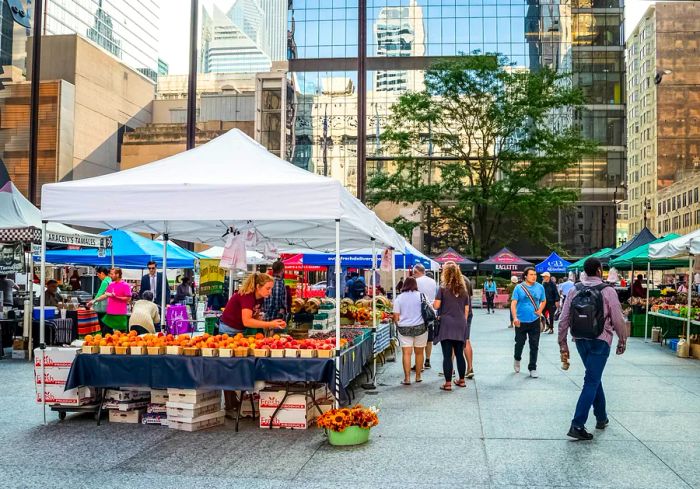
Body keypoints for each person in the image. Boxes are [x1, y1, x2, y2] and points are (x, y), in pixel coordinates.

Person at [558, 257, 628, 440]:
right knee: (591, 380)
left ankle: (601, 417)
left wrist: (562, 342)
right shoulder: (608, 291)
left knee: (594, 377)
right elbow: (618, 318)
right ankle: (577, 424)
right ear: (599, 270)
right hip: (600, 340)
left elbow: (564, 317)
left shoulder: (574, 289)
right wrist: (622, 340)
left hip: (580, 339)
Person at [433, 263, 471, 390]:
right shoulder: (464, 290)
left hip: (446, 324)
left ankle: (448, 383)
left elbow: (436, 306)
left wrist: (434, 302)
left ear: (446, 273)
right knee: (459, 353)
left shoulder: (443, 288)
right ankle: (461, 380)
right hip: (460, 323)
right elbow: (466, 310)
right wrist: (463, 323)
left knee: (447, 355)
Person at [219, 272, 286, 335]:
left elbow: (254, 317)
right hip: (228, 330)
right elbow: (247, 321)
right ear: (258, 287)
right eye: (268, 288)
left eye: (271, 289)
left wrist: (274, 323)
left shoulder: (260, 298)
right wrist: (270, 324)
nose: (270, 292)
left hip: (241, 330)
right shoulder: (247, 296)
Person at [511, 267, 546, 378]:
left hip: (535, 320)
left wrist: (540, 310)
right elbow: (513, 304)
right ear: (525, 276)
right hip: (521, 321)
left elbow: (543, 300)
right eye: (531, 274)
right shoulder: (518, 287)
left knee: (534, 345)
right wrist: (515, 317)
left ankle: (532, 367)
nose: (534, 276)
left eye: (535, 274)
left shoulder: (540, 287)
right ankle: (517, 358)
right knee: (520, 343)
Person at [393, 277, 427, 385]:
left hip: (404, 328)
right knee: (419, 353)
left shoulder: (399, 298)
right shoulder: (422, 296)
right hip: (420, 327)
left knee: (406, 353)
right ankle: (418, 376)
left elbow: (396, 316)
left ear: (404, 285)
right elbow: (428, 310)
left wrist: (398, 325)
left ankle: (407, 378)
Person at [88, 268, 132, 333]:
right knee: (105, 335)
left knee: (120, 337)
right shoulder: (111, 284)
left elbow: (128, 299)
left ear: (117, 274)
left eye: (112, 274)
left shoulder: (125, 285)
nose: (110, 275)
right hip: (110, 314)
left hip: (120, 315)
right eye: (110, 274)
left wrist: (115, 296)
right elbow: (105, 295)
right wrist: (94, 301)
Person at [412, 264, 437, 370]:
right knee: (429, 339)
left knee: (419, 339)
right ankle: (427, 360)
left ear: (418, 272)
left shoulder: (416, 282)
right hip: (431, 313)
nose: (413, 275)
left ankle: (419, 363)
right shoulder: (433, 281)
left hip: (419, 313)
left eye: (414, 273)